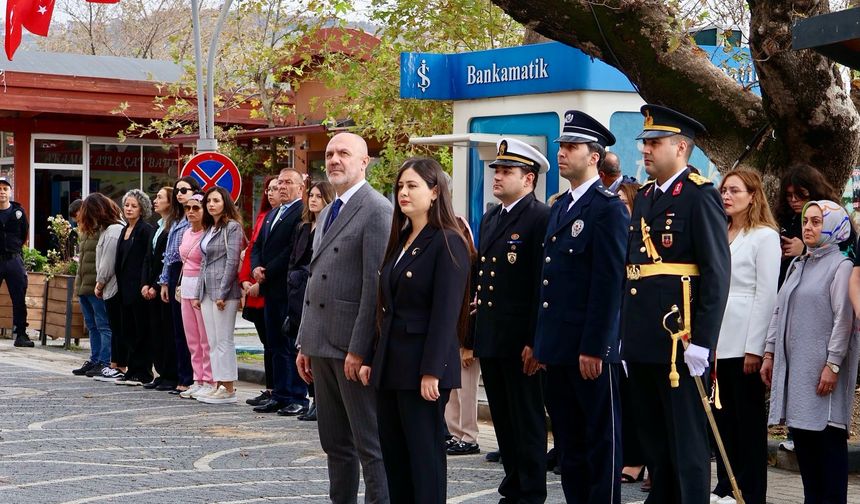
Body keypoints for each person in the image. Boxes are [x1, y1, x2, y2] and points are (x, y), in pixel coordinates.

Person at [621, 105, 730, 504]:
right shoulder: (646, 196)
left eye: (654, 143)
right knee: (654, 439)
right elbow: (632, 272)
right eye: (645, 143)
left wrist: (703, 340)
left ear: (681, 147)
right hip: (644, 340)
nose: (646, 150)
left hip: (679, 344)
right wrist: (625, 337)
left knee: (686, 442)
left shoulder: (699, 196)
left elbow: (716, 274)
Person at [358, 157, 471, 504]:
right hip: (392, 365)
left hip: (422, 368)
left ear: (435, 192)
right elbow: (387, 308)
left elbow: (445, 314)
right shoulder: (403, 237)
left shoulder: (447, 241)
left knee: (424, 461)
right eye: (400, 186)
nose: (403, 193)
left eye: (412, 186)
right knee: (395, 458)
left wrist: (432, 371)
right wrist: (371, 357)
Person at [295, 132, 392, 504]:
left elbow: (375, 287)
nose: (334, 160)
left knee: (370, 446)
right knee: (334, 444)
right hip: (321, 344)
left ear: (364, 162)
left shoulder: (377, 209)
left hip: (350, 348)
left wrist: (360, 349)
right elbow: (314, 280)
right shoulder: (329, 209)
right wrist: (305, 341)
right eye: (331, 154)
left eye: (344, 154)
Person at [535, 111, 628, 503]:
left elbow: (609, 284)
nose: (562, 154)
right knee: (569, 444)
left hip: (588, 350)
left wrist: (596, 346)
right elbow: (550, 283)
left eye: (571, 147)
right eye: (561, 147)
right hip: (558, 347)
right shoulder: (559, 207)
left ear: (594, 156)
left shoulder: (607, 208)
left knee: (600, 441)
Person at [761, 200, 856, 504]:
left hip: (822, 374)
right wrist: (769, 353)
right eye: (806, 221)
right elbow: (779, 310)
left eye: (817, 222)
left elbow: (844, 319)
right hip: (796, 374)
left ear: (834, 227)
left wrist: (833, 364)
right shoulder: (800, 264)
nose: (808, 227)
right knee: (806, 453)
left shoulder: (840, 266)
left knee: (827, 452)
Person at [471, 138, 550, 502]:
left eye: (507, 171)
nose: (497, 177)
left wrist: (536, 340)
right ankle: (514, 483)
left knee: (527, 418)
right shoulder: (491, 216)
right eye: (496, 171)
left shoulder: (539, 218)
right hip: (492, 334)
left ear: (529, 179)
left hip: (521, 338)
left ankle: (531, 489)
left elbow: (540, 286)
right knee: (503, 418)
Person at [711, 170, 780, 504]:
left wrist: (756, 348)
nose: (726, 195)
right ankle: (726, 485)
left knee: (747, 424)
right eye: (724, 190)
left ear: (753, 195)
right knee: (722, 420)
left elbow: (767, 294)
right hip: (717, 343)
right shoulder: (720, 231)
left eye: (734, 190)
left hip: (743, 344)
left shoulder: (763, 236)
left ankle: (751, 493)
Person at [251, 168, 307, 415]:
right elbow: (258, 246)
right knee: (274, 343)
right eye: (280, 182)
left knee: (289, 344)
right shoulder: (273, 213)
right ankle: (280, 393)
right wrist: (255, 267)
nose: (282, 187)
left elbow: (291, 250)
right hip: (269, 288)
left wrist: (268, 270)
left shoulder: (301, 213)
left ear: (300, 188)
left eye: (288, 183)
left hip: (287, 287)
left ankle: (296, 395)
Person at [287, 179, 335, 421]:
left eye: (319, 195)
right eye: (312, 195)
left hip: (316, 289)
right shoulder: (303, 227)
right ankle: (310, 398)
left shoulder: (331, 226)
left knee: (316, 349)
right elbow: (294, 257)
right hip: (297, 292)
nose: (313, 199)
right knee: (300, 346)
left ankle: (320, 401)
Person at [192, 186, 244, 404]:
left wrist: (222, 292)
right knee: (212, 341)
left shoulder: (232, 227)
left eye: (216, 200)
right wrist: (197, 293)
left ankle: (229, 387)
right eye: (209, 201)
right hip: (206, 289)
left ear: (225, 203)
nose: (211, 205)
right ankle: (218, 383)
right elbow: (203, 263)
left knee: (224, 340)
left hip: (224, 292)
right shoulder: (209, 228)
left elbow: (232, 261)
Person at [159, 176, 201, 394]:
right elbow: (169, 255)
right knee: (178, 331)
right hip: (174, 272)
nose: (179, 194)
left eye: (184, 190)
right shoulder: (176, 220)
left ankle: (192, 378)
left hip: (190, 272)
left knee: (191, 333)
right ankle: (181, 375)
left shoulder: (195, 220)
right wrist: (165, 281)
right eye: (177, 190)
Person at [72, 194, 121, 377]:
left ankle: (104, 360)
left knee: (103, 325)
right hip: (85, 285)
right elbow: (83, 259)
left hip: (97, 286)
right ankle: (94, 359)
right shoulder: (85, 230)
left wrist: (100, 284)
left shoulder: (106, 229)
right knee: (92, 326)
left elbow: (106, 260)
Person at [240, 175, 279, 406]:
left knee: (276, 344)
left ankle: (279, 390)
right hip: (254, 290)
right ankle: (270, 388)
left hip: (267, 289)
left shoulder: (289, 217)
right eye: (268, 189)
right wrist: (245, 279)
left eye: (276, 188)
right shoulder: (263, 217)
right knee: (267, 344)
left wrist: (259, 282)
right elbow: (253, 250)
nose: (271, 193)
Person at [775, 165, 843, 287]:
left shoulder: (832, 217)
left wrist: (805, 250)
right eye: (789, 195)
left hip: (818, 286)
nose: (794, 200)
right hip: (784, 284)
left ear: (813, 191)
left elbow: (845, 254)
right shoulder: (784, 216)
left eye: (800, 194)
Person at [113, 189, 155, 386]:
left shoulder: (146, 230)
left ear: (142, 209)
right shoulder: (124, 229)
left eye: (133, 206)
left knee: (141, 331)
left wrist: (145, 283)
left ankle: (143, 370)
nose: (129, 209)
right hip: (123, 288)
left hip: (138, 287)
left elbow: (148, 259)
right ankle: (131, 369)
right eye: (127, 205)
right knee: (127, 329)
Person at [177, 192, 216, 400]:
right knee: (191, 337)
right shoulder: (185, 233)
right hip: (186, 285)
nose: (191, 212)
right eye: (187, 208)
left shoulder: (209, 234)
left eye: (196, 208)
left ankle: (209, 379)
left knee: (204, 337)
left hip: (202, 287)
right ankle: (197, 378)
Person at [141, 187, 179, 391]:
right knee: (155, 331)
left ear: (170, 202)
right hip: (151, 285)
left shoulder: (173, 227)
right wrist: (145, 283)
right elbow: (149, 258)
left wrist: (156, 284)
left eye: (160, 198)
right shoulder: (156, 227)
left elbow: (167, 260)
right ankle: (161, 372)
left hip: (163, 286)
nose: (155, 200)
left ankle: (170, 374)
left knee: (167, 331)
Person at [91, 196, 126, 383]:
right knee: (113, 325)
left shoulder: (114, 230)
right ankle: (114, 365)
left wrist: (100, 282)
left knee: (115, 327)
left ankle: (118, 365)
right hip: (109, 286)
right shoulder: (109, 229)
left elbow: (108, 261)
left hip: (113, 286)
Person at [0, 177, 32, 347]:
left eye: (5, 189)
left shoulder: (18, 213)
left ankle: (21, 334)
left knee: (19, 297)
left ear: (10, 192)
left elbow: (24, 234)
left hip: (13, 260)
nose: (2, 192)